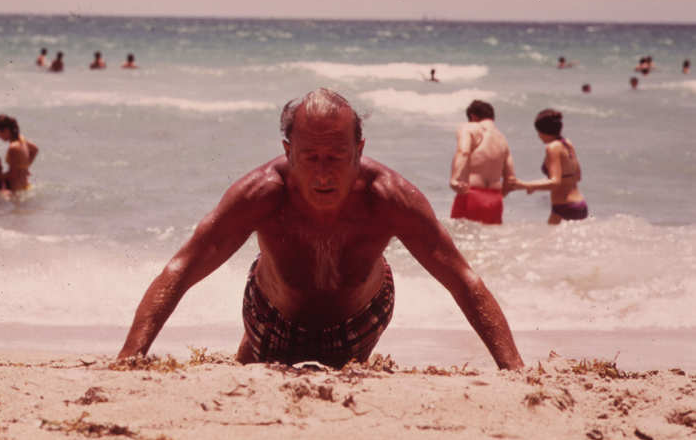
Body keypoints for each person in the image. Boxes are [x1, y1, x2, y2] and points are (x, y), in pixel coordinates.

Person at [117, 88, 524, 371]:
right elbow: (183, 266)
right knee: (257, 362)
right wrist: (130, 357)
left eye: (337, 156)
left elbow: (461, 278)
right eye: (310, 157)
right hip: (269, 315)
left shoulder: (388, 194)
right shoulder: (262, 192)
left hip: (361, 318)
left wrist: (514, 369)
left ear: (359, 149)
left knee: (342, 371)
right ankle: (250, 352)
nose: (323, 172)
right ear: (288, 150)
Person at [509, 109, 587, 224]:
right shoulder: (567, 144)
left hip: (564, 207)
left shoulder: (552, 148)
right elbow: (577, 176)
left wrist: (525, 185)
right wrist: (535, 186)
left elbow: (555, 182)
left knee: (545, 240)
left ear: (543, 131)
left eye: (538, 132)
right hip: (580, 205)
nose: (538, 136)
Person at [449, 100, 516, 225]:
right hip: (495, 200)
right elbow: (510, 180)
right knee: (490, 241)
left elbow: (463, 152)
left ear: (473, 116)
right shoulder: (502, 138)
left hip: (471, 194)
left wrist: (455, 179)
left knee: (460, 241)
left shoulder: (469, 128)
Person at [0, 115, 39, 192]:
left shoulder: (13, 147)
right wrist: (25, 167)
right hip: (24, 186)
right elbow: (35, 150)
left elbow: (13, 174)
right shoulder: (21, 140)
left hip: (16, 191)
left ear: (6, 130)